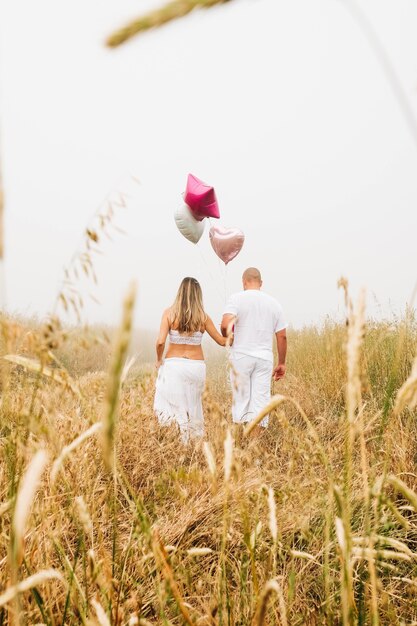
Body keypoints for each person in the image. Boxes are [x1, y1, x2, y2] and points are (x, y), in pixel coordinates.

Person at [154, 276, 228, 441]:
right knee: (193, 406)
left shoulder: (169, 314)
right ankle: (194, 442)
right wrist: (232, 329)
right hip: (196, 367)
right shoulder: (203, 317)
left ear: (180, 292)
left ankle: (178, 442)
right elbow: (223, 342)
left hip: (174, 366)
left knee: (173, 406)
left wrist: (159, 360)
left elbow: (160, 342)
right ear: (198, 294)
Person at [221, 267, 287, 429]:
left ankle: (240, 446)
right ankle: (254, 446)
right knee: (260, 404)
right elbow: (282, 336)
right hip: (264, 358)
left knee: (241, 400)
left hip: (241, 356)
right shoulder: (274, 303)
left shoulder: (236, 299)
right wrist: (281, 363)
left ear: (244, 282)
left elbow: (225, 324)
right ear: (261, 283)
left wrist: (229, 336)